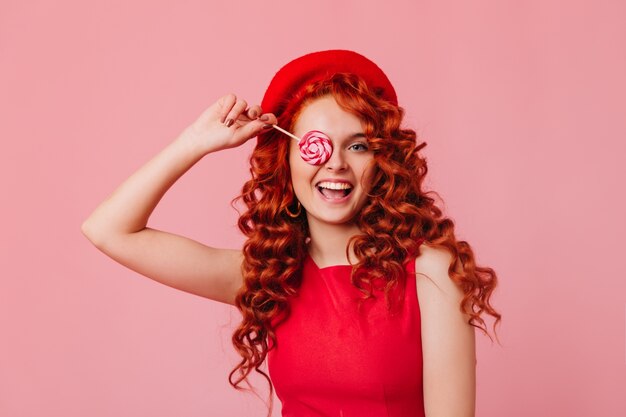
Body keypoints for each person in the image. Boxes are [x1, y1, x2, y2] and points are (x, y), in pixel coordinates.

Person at [82, 50, 501, 417]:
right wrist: (194, 142)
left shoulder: (430, 273)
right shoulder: (268, 278)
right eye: (316, 144)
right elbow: (108, 230)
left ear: (382, 162)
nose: (335, 163)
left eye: (357, 145)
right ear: (286, 159)